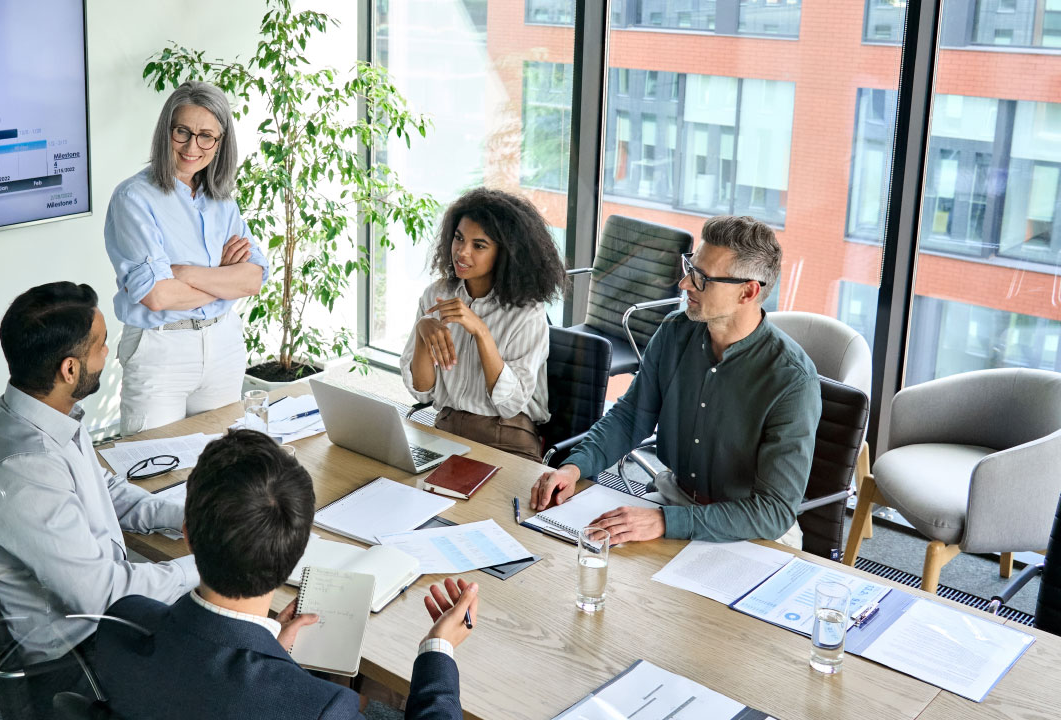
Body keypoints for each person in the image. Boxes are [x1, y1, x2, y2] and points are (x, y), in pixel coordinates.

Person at [93, 429, 477, 719]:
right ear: (296, 556)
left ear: (188, 535)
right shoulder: (318, 707)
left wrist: (272, 646)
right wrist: (438, 651)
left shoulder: (121, 624)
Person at [0, 282, 198, 715]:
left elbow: (106, 490)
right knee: (236, 649)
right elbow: (104, 597)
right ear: (70, 369)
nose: (110, 355)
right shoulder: (25, 470)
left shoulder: (43, 415)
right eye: (101, 346)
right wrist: (210, 564)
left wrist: (195, 518)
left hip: (93, 609)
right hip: (77, 657)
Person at [531, 216, 820, 548]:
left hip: (751, 532)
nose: (684, 284)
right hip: (673, 500)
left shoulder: (793, 380)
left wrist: (664, 521)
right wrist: (573, 469)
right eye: (689, 268)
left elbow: (772, 512)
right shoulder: (674, 331)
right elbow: (628, 418)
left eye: (702, 279)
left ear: (748, 292)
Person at [104, 81, 269, 436]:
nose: (193, 146)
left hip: (223, 345)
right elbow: (158, 295)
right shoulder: (134, 198)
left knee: (223, 470)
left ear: (220, 142)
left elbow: (253, 279)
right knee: (153, 470)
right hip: (161, 348)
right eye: (183, 132)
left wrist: (184, 273)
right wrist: (224, 279)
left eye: (206, 135)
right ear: (167, 131)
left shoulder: (223, 199)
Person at [400, 187, 567, 461]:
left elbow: (511, 404)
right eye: (458, 238)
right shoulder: (435, 295)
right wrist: (422, 333)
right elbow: (422, 391)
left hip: (506, 438)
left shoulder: (527, 313)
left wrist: (480, 331)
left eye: (479, 245)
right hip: (447, 428)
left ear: (505, 253)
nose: (462, 252)